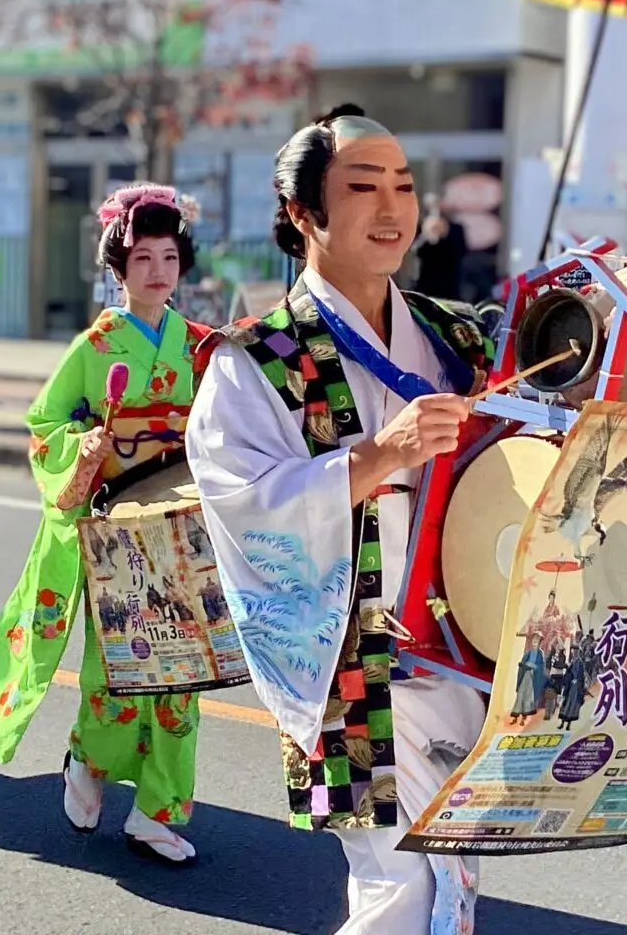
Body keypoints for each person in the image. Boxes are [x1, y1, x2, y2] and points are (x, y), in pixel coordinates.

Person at [185, 105, 494, 933]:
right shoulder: (254, 357)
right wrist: (377, 458)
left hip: (468, 641)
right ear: (301, 213)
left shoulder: (456, 335)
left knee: (454, 874)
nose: (392, 207)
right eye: (362, 187)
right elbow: (241, 501)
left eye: (404, 184)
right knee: (404, 883)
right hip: (356, 660)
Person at [0, 184, 212, 866]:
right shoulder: (97, 344)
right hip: (116, 534)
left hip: (182, 529)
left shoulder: (200, 347)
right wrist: (82, 449)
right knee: (119, 671)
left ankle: (158, 811)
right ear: (119, 270)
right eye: (142, 258)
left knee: (183, 673)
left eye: (168, 257)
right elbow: (44, 424)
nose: (157, 271)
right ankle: (87, 759)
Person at [412, 191, 467, 303]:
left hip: (449, 286)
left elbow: (461, 252)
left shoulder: (456, 228)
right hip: (425, 286)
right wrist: (426, 235)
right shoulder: (420, 227)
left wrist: (445, 233)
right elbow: (416, 251)